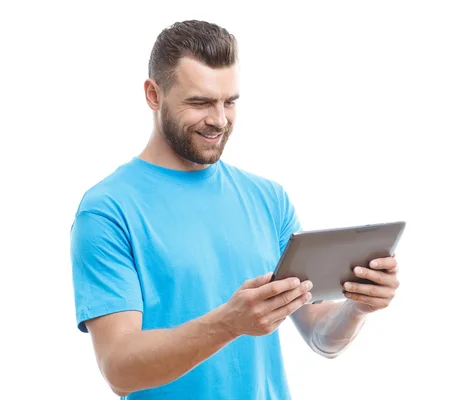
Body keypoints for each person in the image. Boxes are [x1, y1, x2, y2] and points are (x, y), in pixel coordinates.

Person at [70, 20, 400, 399]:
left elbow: (321, 337)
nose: (220, 120)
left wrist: (356, 307)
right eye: (200, 102)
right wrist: (228, 323)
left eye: (230, 102)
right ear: (153, 94)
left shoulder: (268, 199)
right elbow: (119, 370)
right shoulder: (107, 210)